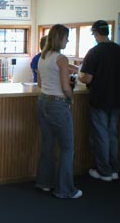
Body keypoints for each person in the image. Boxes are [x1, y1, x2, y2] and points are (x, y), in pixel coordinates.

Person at [35, 24, 82, 199]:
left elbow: (40, 84)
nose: (68, 41)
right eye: (66, 38)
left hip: (42, 102)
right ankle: (64, 190)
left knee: (47, 145)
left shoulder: (42, 57)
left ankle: (44, 183)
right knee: (67, 148)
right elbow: (65, 86)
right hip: (57, 104)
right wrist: (70, 98)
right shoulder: (61, 59)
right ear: (59, 38)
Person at [78, 20, 120, 182]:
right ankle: (114, 169)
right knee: (112, 134)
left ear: (95, 33)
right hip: (116, 99)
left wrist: (80, 77)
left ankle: (104, 171)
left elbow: (87, 78)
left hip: (100, 99)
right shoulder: (118, 49)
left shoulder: (95, 52)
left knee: (101, 135)